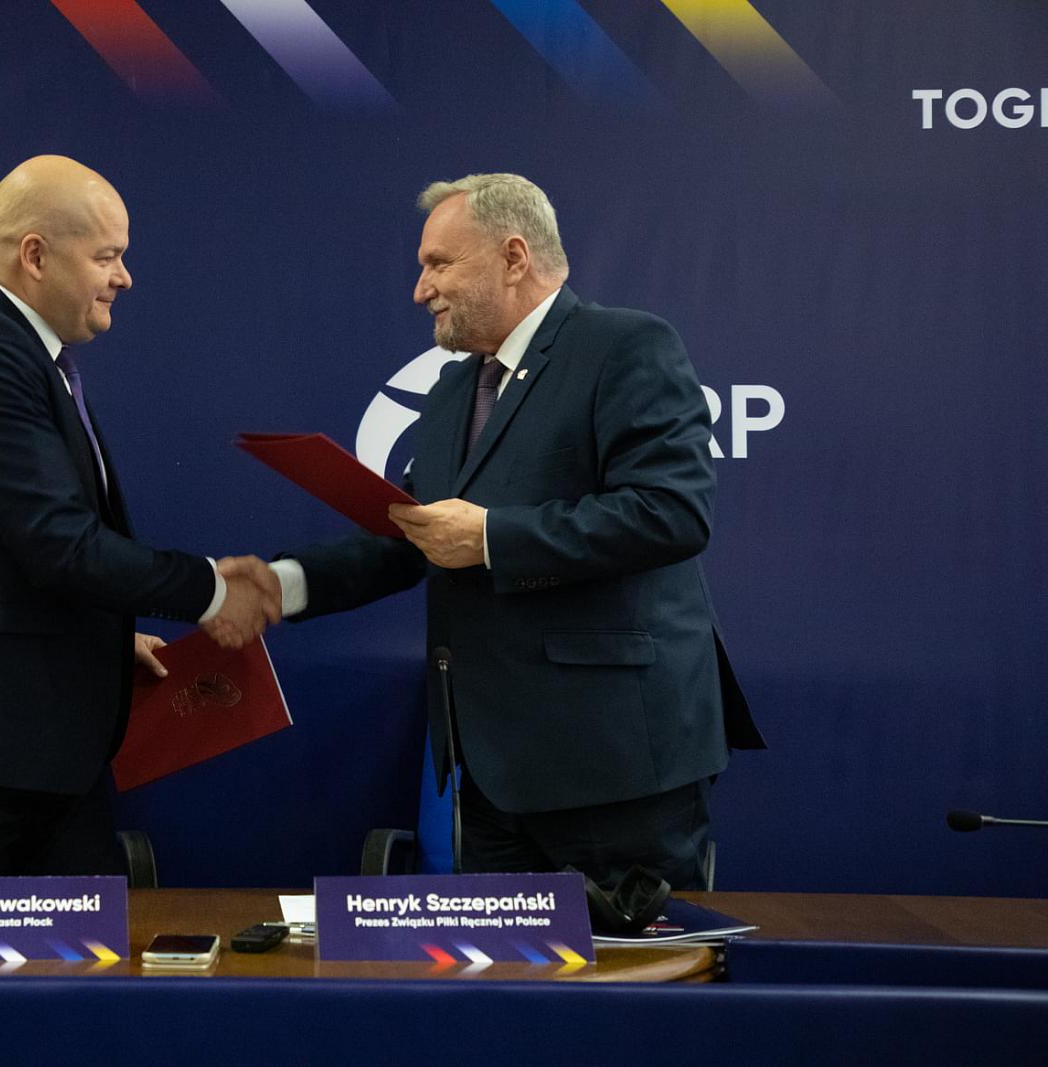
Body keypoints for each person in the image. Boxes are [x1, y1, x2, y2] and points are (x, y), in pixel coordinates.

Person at [238, 172, 763, 890]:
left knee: (624, 964)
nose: (420, 289)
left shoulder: (626, 346)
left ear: (514, 257)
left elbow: (671, 511)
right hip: (488, 771)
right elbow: (411, 533)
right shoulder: (455, 387)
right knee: (501, 966)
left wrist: (491, 537)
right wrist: (283, 584)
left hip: (614, 766)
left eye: (438, 264)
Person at [0, 155, 279, 878]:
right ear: (36, 256)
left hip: (32, 748)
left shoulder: (29, 356)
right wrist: (211, 590)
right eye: (107, 256)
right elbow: (59, 543)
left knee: (80, 950)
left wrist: (100, 639)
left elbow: (13, 556)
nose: (124, 278)